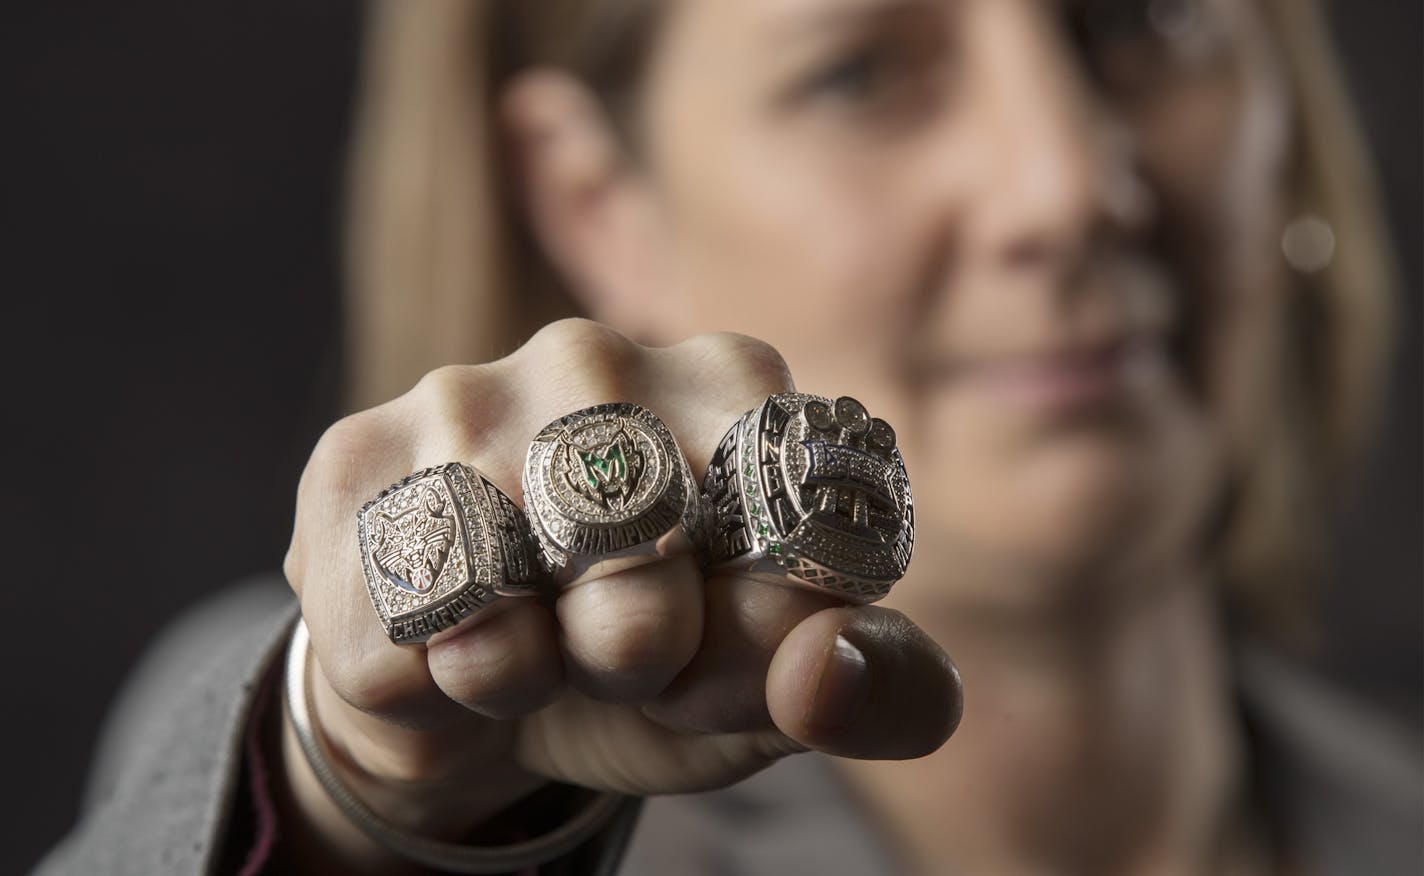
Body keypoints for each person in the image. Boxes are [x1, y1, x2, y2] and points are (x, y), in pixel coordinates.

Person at [38, 0, 1419, 873]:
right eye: (859, 71)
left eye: (1143, 16)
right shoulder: (419, 779)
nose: (1063, 183)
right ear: (597, 206)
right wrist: (369, 807)